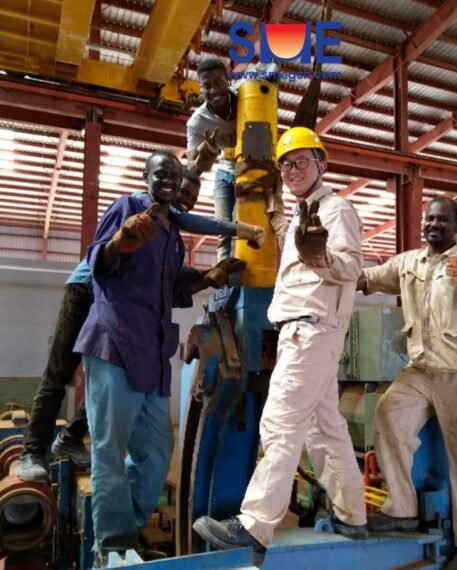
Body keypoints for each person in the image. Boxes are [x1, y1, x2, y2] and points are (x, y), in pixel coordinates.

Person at [17, 167, 263, 483]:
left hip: (122, 306)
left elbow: (167, 279)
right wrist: (242, 229)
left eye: (190, 196)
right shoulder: (136, 206)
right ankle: (32, 452)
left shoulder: (171, 237)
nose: (184, 199)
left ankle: (70, 437)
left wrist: (209, 275)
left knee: (112, 377)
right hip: (87, 291)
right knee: (60, 373)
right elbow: (201, 225)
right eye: (180, 190)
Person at [193, 127, 368, 565]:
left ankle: (254, 526)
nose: (293, 169)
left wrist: (320, 257)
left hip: (312, 328)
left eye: (302, 161)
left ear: (322, 164)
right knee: (324, 428)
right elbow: (288, 232)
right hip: (303, 331)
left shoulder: (336, 209)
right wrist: (271, 205)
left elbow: (350, 268)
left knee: (279, 423)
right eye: (287, 164)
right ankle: (353, 516)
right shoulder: (304, 214)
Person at [359, 197, 457, 570]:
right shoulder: (409, 263)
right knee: (389, 413)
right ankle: (401, 509)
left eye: (442, 219)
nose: (433, 224)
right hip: (422, 370)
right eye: (429, 218)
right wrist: (325, 263)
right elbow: (368, 278)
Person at [187, 58, 237, 261]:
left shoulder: (248, 96)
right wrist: (204, 155)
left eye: (218, 82)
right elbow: (192, 167)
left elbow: (267, 72)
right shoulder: (197, 123)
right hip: (226, 172)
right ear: (201, 89)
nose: (214, 89)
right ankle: (223, 275)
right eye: (207, 85)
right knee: (223, 227)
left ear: (228, 82)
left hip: (255, 171)